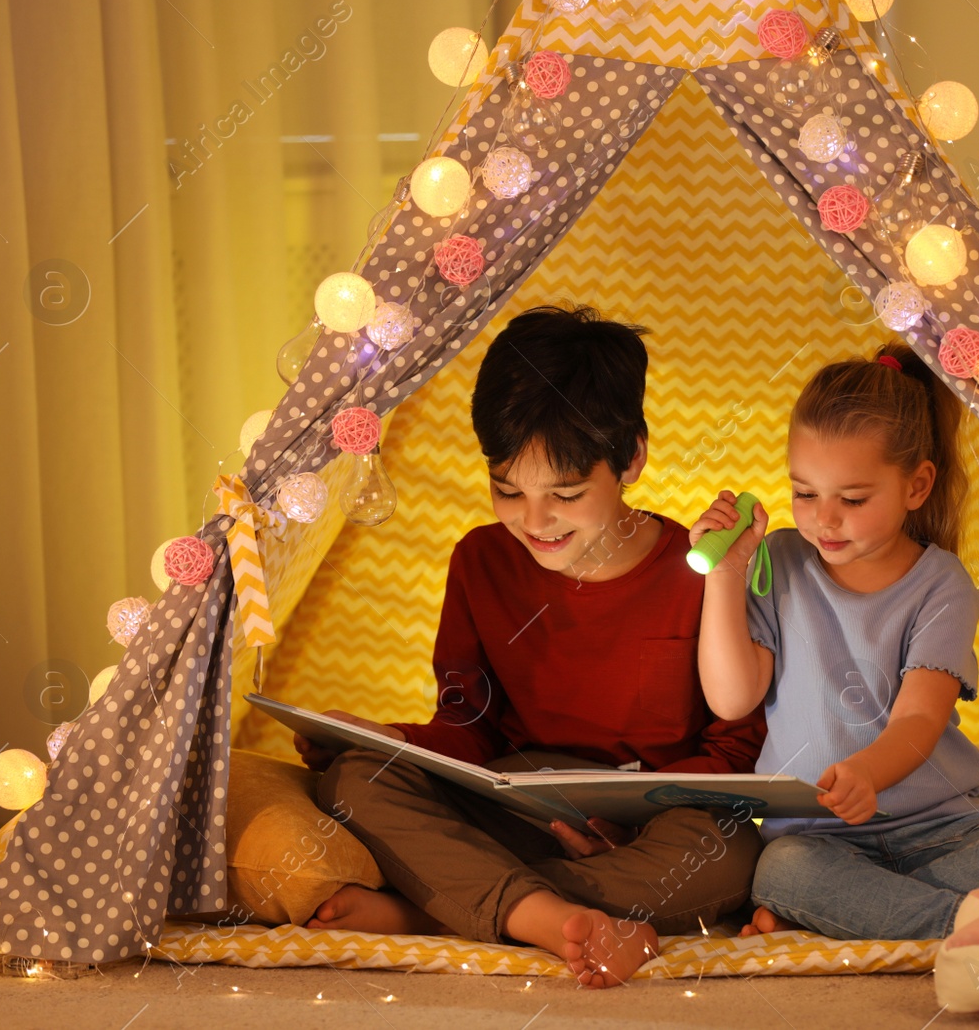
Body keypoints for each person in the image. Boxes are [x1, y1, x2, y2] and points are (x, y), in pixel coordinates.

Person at [292, 304, 766, 987]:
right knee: (353, 778)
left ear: (631, 456)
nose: (533, 521)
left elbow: (736, 748)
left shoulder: (696, 569)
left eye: (565, 494)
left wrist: (627, 815)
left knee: (729, 852)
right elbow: (469, 725)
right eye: (507, 490)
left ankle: (436, 906)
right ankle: (532, 909)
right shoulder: (481, 560)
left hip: (657, 821)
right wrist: (381, 736)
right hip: (523, 806)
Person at [689, 341, 979, 941]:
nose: (824, 520)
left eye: (852, 499)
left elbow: (921, 718)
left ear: (916, 486)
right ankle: (958, 925)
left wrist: (868, 773)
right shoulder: (779, 562)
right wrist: (724, 572)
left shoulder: (942, 585)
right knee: (781, 871)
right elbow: (731, 699)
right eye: (804, 493)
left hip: (937, 829)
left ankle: (855, 917)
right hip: (820, 839)